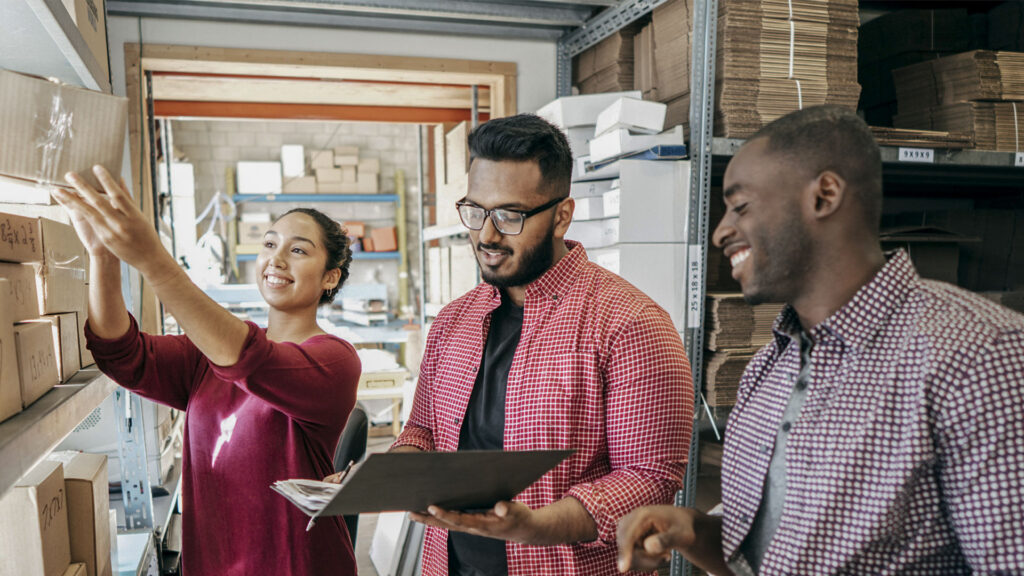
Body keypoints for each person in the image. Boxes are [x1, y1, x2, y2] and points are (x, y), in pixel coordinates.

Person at [617, 105, 1024, 575]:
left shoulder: (979, 357)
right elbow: (769, 554)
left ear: (824, 195)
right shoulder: (769, 367)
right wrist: (694, 531)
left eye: (740, 206)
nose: (721, 232)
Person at [386, 113, 694, 575]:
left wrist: (536, 525)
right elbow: (424, 433)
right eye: (475, 211)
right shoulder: (453, 322)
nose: (486, 235)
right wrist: (390, 477)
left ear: (562, 216)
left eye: (510, 215)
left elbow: (650, 478)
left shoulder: (631, 325)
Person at [54, 168, 361, 576]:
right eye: (269, 243)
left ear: (330, 277)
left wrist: (154, 261)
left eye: (299, 251)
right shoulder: (209, 355)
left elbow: (251, 362)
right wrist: (103, 256)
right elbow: (121, 353)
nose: (277, 258)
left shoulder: (333, 359)